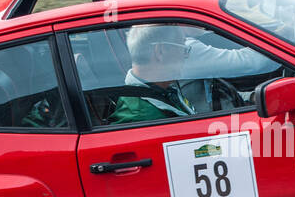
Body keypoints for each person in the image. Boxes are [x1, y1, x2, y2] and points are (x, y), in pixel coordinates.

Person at [107, 23, 274, 125]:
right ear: (160, 51)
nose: (185, 56)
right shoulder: (143, 118)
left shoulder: (160, 89)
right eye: (183, 49)